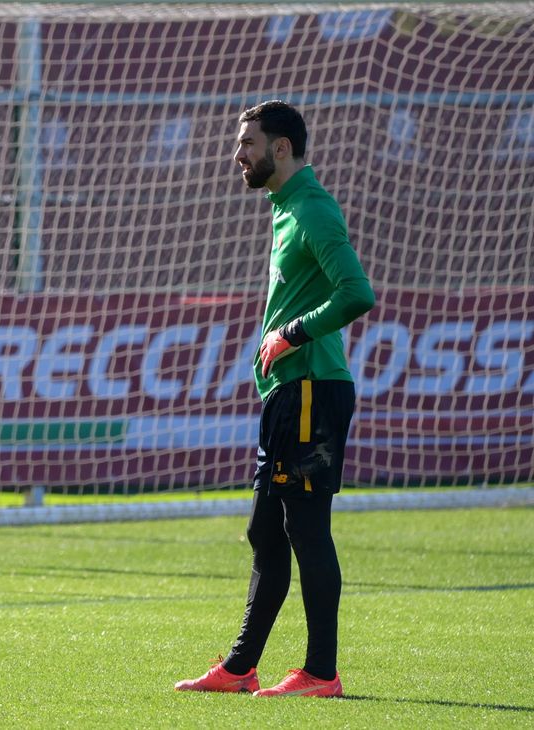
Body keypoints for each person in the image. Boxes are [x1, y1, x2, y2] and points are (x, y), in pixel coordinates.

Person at [175, 100, 375, 698]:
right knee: (266, 532)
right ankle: (240, 668)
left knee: (307, 529)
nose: (239, 154)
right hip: (290, 394)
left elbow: (356, 293)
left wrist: (291, 333)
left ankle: (322, 673)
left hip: (314, 388)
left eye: (248, 143)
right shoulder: (284, 208)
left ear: (280, 148)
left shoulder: (312, 207)